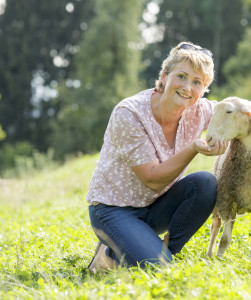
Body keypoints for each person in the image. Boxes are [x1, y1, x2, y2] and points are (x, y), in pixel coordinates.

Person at [87, 41, 228, 273]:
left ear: (203, 91)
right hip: (114, 209)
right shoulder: (130, 114)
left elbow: (233, 112)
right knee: (158, 268)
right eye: (181, 76)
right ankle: (111, 252)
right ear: (164, 76)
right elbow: (151, 178)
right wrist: (193, 148)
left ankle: (159, 252)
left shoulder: (200, 110)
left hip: (155, 206)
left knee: (205, 183)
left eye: (197, 82)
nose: (187, 87)